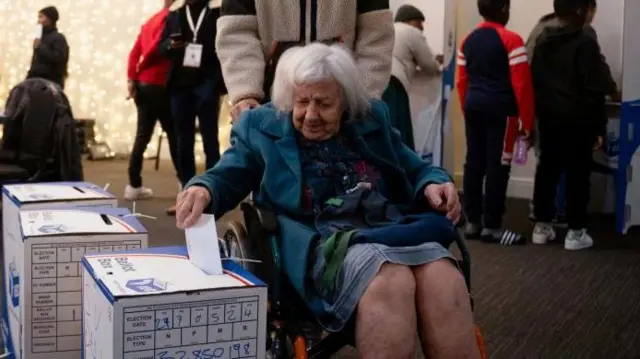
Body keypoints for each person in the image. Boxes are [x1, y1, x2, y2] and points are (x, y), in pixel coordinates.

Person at [175, 43, 481, 358]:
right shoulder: (261, 127)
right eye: (302, 101)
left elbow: (416, 168)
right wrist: (203, 189)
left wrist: (434, 182)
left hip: (390, 227)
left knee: (444, 278)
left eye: (324, 104)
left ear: (345, 101)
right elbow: (228, 174)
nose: (310, 115)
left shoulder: (372, 118)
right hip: (324, 241)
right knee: (391, 280)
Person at [216, 0, 395, 120]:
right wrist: (246, 93)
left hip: (341, 108)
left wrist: (362, 97)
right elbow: (237, 32)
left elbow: (376, 36)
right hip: (268, 105)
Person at [526, 0, 619, 226]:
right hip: (577, 115)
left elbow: (532, 75)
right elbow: (596, 80)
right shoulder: (584, 36)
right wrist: (600, 123)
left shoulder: (542, 32)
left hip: (546, 114)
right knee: (577, 172)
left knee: (546, 169)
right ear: (582, 9)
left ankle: (542, 223)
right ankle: (574, 227)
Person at [456, 0, 534, 245]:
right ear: (504, 9)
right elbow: (521, 85)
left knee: (474, 162)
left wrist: (467, 108)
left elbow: (461, 81)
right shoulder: (512, 40)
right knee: (498, 166)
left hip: (473, 105)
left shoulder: (467, 40)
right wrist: (527, 122)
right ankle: (493, 226)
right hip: (502, 110)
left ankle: (472, 222)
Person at [158, 0, 225, 215]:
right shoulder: (175, 14)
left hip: (207, 84)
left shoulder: (216, 11)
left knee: (210, 142)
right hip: (180, 86)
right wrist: (171, 45)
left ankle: (213, 195)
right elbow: (161, 46)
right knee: (182, 142)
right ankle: (186, 195)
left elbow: (224, 46)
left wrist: (215, 84)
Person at [125, 0, 180, 201]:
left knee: (142, 136)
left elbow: (134, 52)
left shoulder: (150, 21)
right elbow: (156, 48)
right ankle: (184, 183)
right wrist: (143, 67)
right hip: (160, 83)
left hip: (143, 85)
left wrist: (132, 77)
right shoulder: (172, 19)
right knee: (175, 135)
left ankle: (133, 184)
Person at [382, 4, 443, 150]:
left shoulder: (389, 29)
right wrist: (437, 61)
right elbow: (430, 66)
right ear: (408, 21)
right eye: (419, 23)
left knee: (384, 130)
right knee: (399, 132)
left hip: (377, 80)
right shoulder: (411, 32)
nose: (421, 27)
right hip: (394, 84)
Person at [27, 6, 69, 89]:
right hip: (34, 82)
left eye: (41, 17)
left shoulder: (59, 38)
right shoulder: (40, 38)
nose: (38, 21)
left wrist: (40, 46)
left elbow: (57, 58)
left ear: (50, 19)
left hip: (50, 84)